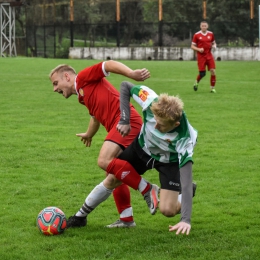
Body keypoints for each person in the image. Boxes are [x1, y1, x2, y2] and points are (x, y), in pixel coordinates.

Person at [68, 81, 197, 235]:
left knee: (168, 210)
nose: (155, 127)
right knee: (112, 178)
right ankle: (80, 217)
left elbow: (186, 179)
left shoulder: (185, 139)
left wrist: (185, 220)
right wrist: (124, 119)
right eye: (154, 121)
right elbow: (125, 86)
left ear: (175, 124)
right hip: (141, 149)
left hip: (168, 161)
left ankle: (183, 195)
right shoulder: (151, 100)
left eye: (161, 126)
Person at [49, 60, 156, 228]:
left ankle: (147, 189)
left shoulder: (83, 77)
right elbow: (95, 117)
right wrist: (89, 134)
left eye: (56, 83)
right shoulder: (82, 95)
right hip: (122, 126)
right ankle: (126, 219)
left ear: (67, 77)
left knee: (104, 161)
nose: (54, 89)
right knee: (113, 173)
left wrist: (131, 73)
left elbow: (108, 64)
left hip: (127, 122)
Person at [191, 21, 217, 93]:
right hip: (201, 56)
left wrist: (214, 46)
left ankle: (212, 88)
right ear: (200, 26)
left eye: (205, 26)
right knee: (202, 74)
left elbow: (213, 42)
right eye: (202, 26)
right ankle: (196, 82)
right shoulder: (196, 35)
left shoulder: (211, 34)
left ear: (207, 26)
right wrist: (199, 49)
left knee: (213, 71)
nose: (204, 27)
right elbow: (192, 46)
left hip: (209, 55)